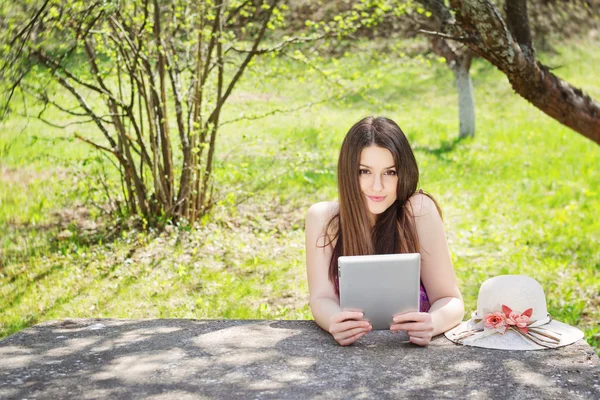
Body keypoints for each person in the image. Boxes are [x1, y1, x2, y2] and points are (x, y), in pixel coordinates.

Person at [305, 116, 464, 346]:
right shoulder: (323, 219)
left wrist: (433, 323)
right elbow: (321, 298)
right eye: (364, 171)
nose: (377, 186)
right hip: (352, 354)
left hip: (413, 353)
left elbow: (450, 299)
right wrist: (333, 322)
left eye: (390, 172)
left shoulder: (418, 211)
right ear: (348, 172)